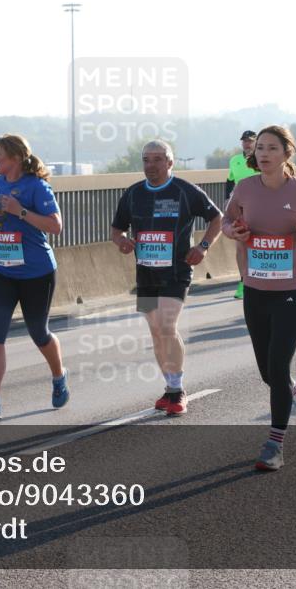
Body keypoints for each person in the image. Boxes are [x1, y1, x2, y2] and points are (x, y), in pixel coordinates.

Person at [222, 125, 296, 471]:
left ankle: (274, 444)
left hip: (294, 290)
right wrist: (233, 230)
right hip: (256, 290)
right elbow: (226, 221)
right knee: (269, 373)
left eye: (271, 149)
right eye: (260, 149)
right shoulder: (245, 188)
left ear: (286, 154)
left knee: (278, 365)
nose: (263, 154)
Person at [112, 140, 222, 416]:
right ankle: (170, 388)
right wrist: (122, 241)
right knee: (156, 331)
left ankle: (178, 389)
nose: (151, 165)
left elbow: (216, 218)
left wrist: (203, 247)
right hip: (146, 272)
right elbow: (116, 229)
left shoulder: (184, 191)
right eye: (146, 160)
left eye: (158, 159)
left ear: (170, 162)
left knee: (167, 326)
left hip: (177, 271)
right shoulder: (134, 193)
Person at [0, 134, 66, 420]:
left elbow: (55, 226)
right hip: (1, 269)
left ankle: (59, 376)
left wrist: (20, 211)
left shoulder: (37, 187)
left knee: (39, 333)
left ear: (14, 157)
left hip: (36, 272)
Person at [226, 130, 259, 299]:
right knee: (240, 246)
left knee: (258, 244)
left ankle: (261, 279)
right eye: (244, 141)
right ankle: (243, 282)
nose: (247, 144)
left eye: (250, 141)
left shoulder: (262, 160)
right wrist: (227, 202)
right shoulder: (235, 160)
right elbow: (230, 181)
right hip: (241, 209)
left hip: (261, 208)